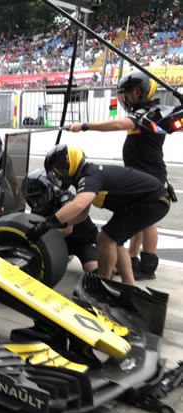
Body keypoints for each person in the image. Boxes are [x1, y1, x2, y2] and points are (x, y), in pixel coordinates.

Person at [68, 70, 170, 280]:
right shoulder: (147, 110)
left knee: (146, 219)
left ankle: (148, 263)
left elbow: (118, 124)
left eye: (132, 93)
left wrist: (85, 126)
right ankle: (132, 258)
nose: (128, 98)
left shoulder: (148, 112)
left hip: (150, 173)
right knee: (136, 218)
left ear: (143, 92)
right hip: (143, 171)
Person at [35, 143, 170, 285]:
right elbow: (82, 213)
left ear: (70, 164)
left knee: (105, 238)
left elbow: (78, 204)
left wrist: (48, 222)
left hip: (152, 201)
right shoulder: (89, 175)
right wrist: (65, 223)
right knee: (116, 242)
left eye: (60, 168)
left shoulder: (89, 176)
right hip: (151, 200)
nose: (58, 174)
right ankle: (129, 287)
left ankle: (102, 287)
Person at [23, 169, 98, 272]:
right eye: (32, 199)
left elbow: (67, 230)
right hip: (62, 243)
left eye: (39, 197)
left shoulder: (65, 199)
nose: (36, 202)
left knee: (94, 272)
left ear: (48, 191)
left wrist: (41, 237)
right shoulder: (36, 208)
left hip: (83, 241)